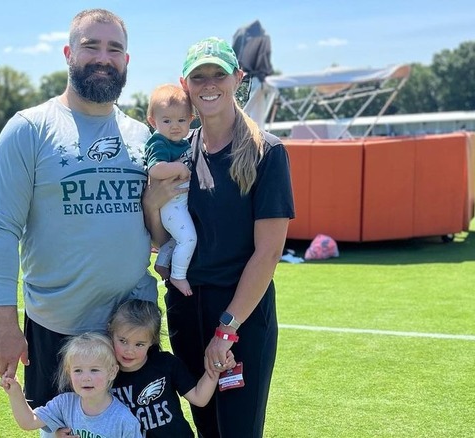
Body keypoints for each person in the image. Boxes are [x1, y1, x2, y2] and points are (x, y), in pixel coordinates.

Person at [0, 8, 173, 413]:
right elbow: (0, 229)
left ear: (126, 61)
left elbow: (154, 232)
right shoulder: (29, 128)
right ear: (69, 53)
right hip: (58, 332)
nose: (103, 57)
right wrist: (4, 323)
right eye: (91, 47)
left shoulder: (143, 137)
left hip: (132, 331)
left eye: (114, 49)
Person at [145, 37, 295, 437]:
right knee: (207, 425)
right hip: (185, 310)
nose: (209, 84)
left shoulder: (267, 152)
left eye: (219, 74)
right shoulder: (178, 153)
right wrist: (150, 204)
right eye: (199, 77)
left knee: (238, 429)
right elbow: (163, 237)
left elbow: (268, 253)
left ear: (238, 79)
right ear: (185, 84)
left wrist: (226, 330)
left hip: (239, 316)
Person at [108, 299, 233, 437]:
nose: (129, 350)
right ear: (111, 333)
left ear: (152, 341)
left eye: (139, 344)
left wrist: (215, 368)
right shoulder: (106, 375)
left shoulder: (165, 364)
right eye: (123, 341)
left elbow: (199, 398)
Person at [0, 332, 143, 437]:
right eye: (78, 370)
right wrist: (15, 393)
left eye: (94, 370)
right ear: (69, 373)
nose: (86, 378)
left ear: (112, 372)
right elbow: (29, 422)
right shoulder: (65, 404)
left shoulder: (124, 421)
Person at [144, 84, 196, 296]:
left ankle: (162, 263)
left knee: (176, 238)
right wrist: (180, 168)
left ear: (191, 119)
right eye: (167, 121)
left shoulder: (182, 142)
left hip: (178, 203)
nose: (175, 126)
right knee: (189, 239)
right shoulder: (159, 142)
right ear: (153, 121)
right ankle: (178, 275)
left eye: (181, 120)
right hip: (171, 205)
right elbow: (155, 169)